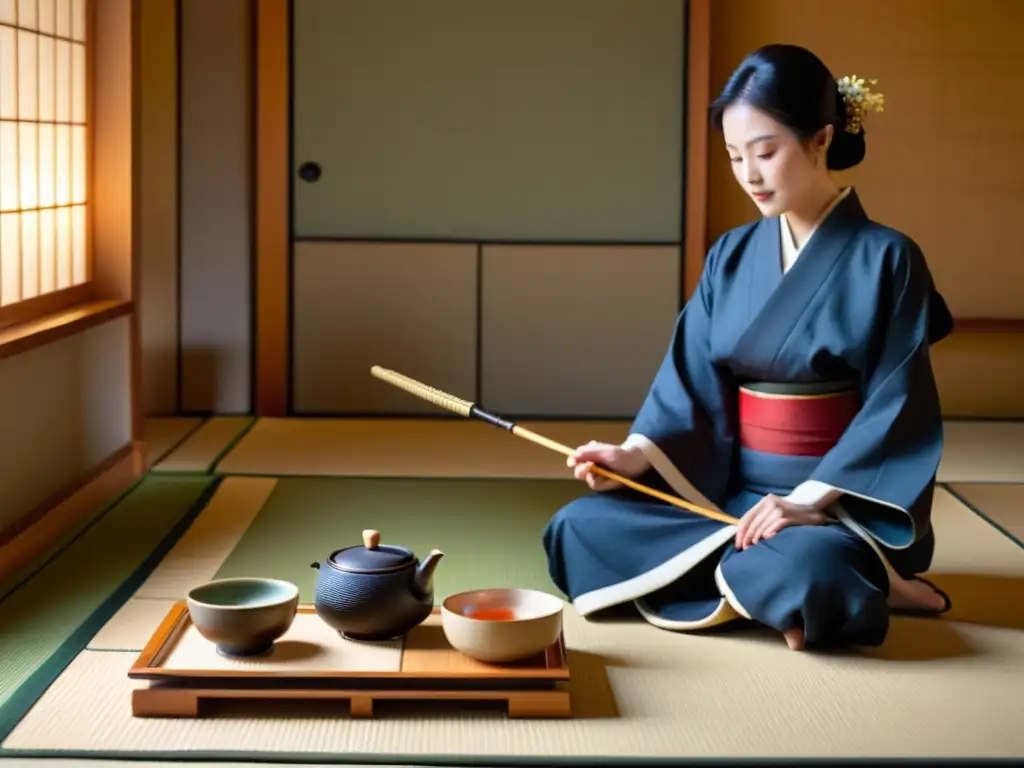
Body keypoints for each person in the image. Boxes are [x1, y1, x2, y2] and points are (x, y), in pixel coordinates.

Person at [542, 44, 955, 651]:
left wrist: (807, 502)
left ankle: (856, 573)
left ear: (821, 138)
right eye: (735, 157)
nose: (749, 175)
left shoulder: (889, 257)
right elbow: (689, 381)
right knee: (574, 529)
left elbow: (898, 406)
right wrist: (635, 455)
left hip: (836, 506)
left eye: (765, 152)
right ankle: (776, 590)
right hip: (732, 497)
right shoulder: (731, 254)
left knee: (812, 569)